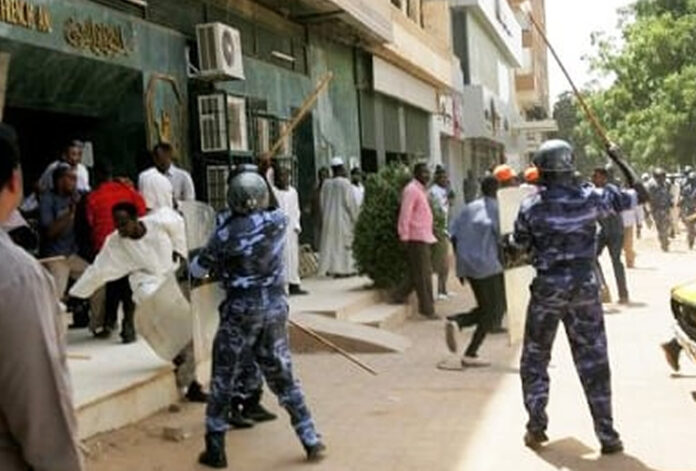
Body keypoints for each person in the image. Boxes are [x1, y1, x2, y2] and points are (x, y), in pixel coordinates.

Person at [510, 139, 645, 455]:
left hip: (548, 291)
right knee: (594, 361)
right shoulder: (593, 199)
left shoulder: (531, 206)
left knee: (535, 358)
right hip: (585, 290)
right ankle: (608, 435)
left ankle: (536, 426)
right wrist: (617, 157)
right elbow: (641, 193)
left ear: (542, 170)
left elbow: (519, 246)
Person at [191, 169, 325, 468]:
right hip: (275, 308)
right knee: (284, 375)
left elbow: (198, 270)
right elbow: (274, 206)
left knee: (223, 379)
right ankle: (310, 437)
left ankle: (216, 449)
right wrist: (264, 175)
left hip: (240, 311)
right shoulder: (277, 222)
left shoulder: (224, 233)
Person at [0, 124, 84, 470]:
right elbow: (43, 421)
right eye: (69, 176)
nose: (73, 181)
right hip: (53, 262)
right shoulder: (15, 278)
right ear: (15, 181)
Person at [445, 176, 504, 367]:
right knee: (493, 311)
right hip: (488, 265)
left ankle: (458, 322)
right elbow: (504, 239)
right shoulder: (496, 209)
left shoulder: (468, 208)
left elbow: (453, 235)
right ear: (497, 189)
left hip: (468, 265)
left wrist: (460, 265)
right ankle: (470, 350)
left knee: (486, 307)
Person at [86, 164, 147, 337]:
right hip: (128, 244)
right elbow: (141, 210)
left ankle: (109, 323)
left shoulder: (93, 197)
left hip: (104, 246)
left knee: (112, 283)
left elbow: (90, 222)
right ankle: (127, 323)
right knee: (128, 284)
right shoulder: (128, 192)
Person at [39, 164, 89, 300]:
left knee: (96, 282)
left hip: (72, 255)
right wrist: (70, 212)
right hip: (55, 257)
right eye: (71, 178)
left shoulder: (76, 196)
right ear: (60, 180)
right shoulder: (48, 199)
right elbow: (50, 232)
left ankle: (96, 320)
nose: (75, 182)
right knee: (56, 297)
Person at [396, 163, 437, 318]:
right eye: (424, 172)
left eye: (428, 172)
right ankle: (427, 309)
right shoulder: (411, 190)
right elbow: (405, 214)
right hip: (416, 237)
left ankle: (398, 295)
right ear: (416, 173)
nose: (427, 175)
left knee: (416, 273)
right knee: (424, 275)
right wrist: (404, 235)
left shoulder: (420, 189)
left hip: (424, 236)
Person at [592, 167, 630, 304]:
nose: (593, 179)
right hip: (609, 231)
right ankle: (610, 290)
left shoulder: (609, 190)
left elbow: (609, 208)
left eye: (595, 176)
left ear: (603, 177)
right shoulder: (607, 190)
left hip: (611, 231)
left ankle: (617, 293)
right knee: (594, 257)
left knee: (612, 260)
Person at [318, 157, 359, 277]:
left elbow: (322, 202)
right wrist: (355, 219)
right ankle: (344, 270)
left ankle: (333, 269)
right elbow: (350, 204)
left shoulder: (326, 184)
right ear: (341, 168)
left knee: (332, 245)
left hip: (329, 220)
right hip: (343, 220)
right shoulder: (345, 183)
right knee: (343, 245)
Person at [274, 167, 307, 296]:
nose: (285, 179)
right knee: (282, 257)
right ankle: (283, 286)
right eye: (281, 176)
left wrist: (296, 225)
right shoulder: (275, 192)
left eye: (286, 176)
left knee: (293, 257)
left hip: (291, 230)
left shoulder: (293, 192)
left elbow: (296, 210)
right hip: (280, 231)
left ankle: (294, 283)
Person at [429, 166, 454, 300]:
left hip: (445, 228)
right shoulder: (433, 191)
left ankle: (444, 289)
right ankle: (439, 290)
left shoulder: (446, 190)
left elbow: (451, 204)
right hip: (438, 229)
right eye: (442, 177)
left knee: (447, 263)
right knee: (440, 262)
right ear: (437, 178)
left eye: (446, 177)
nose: (445, 180)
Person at [647, 168, 673, 252]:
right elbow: (649, 198)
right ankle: (663, 242)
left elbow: (669, 194)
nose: (662, 178)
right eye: (660, 176)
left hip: (666, 208)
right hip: (656, 209)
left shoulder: (666, 184)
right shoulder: (652, 186)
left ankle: (664, 241)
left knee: (666, 226)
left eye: (663, 176)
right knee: (660, 227)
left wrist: (670, 202)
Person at [621, 184, 642, 268]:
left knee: (623, 244)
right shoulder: (634, 195)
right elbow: (638, 210)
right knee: (628, 244)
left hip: (618, 222)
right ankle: (630, 261)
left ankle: (630, 260)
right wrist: (639, 224)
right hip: (629, 221)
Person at [309, 167, 329, 251]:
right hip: (318, 220)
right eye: (321, 176)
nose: (323, 178)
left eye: (325, 176)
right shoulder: (316, 191)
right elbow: (312, 205)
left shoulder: (331, 192)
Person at [678, 172, 696, 249]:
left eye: (694, 180)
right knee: (690, 228)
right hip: (689, 210)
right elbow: (682, 198)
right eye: (691, 180)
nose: (692, 181)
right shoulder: (686, 188)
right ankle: (690, 242)